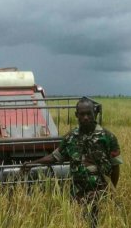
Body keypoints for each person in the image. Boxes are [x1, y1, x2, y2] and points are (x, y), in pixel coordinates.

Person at [22, 97, 123, 227]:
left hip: (100, 192)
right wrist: (33, 163)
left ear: (95, 114)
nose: (86, 117)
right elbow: (55, 157)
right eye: (82, 114)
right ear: (76, 115)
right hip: (77, 193)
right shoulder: (70, 138)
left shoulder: (108, 137)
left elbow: (115, 166)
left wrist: (111, 190)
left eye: (89, 114)